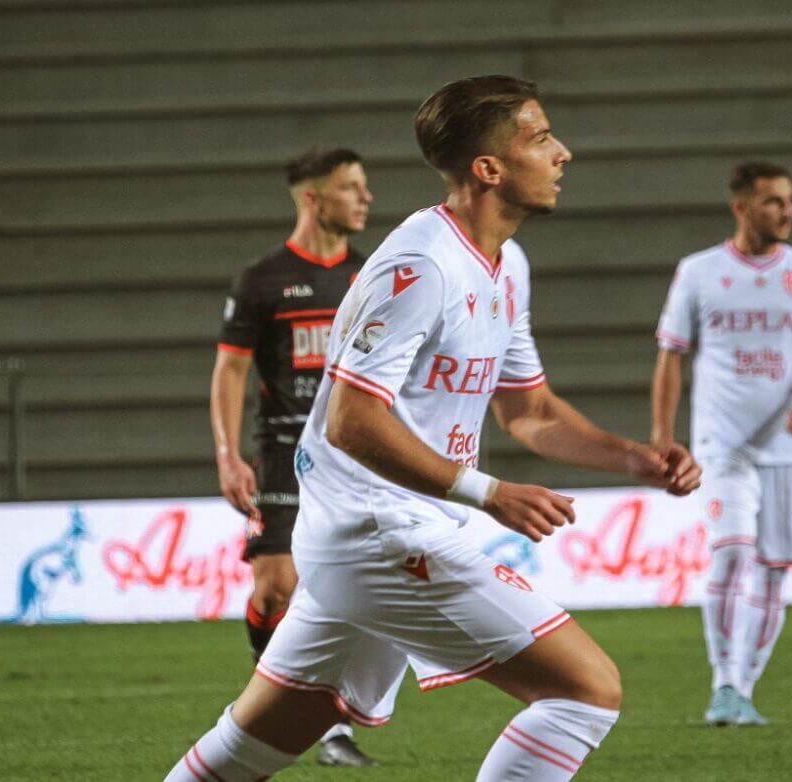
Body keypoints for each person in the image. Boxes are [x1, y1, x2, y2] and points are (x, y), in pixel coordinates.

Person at [165, 75, 702, 781]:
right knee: (585, 689)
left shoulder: (506, 264)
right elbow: (351, 421)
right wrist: (487, 491)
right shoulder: (422, 264)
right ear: (490, 169)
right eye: (542, 139)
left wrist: (635, 458)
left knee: (247, 747)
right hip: (378, 534)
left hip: (371, 536)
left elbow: (528, 410)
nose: (562, 153)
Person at [651, 161, 792, 726]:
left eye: (789, 200)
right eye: (773, 202)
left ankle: (743, 689)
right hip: (722, 445)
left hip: (788, 449)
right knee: (732, 551)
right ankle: (722, 684)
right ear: (741, 207)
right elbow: (671, 356)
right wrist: (664, 438)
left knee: (775, 567)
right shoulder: (699, 272)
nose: (786, 210)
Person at [210, 147, 379, 766]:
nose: (365, 198)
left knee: (343, 594)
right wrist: (229, 456)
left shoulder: (371, 276)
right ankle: (266, 694)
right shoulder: (262, 280)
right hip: (282, 451)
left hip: (353, 456)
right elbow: (230, 371)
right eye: (351, 187)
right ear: (313, 197)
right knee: (277, 585)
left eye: (364, 187)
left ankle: (331, 727)